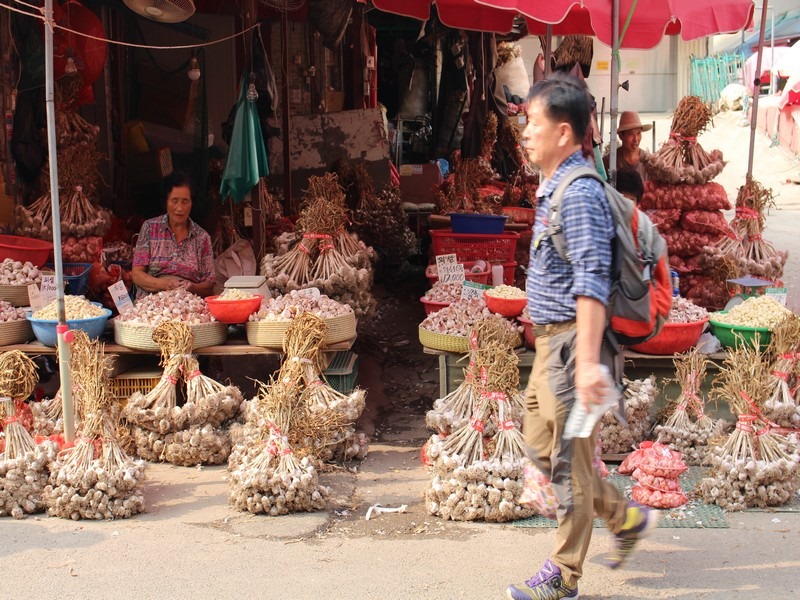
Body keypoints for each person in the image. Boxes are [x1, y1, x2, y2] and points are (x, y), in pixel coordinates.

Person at [508, 74, 656, 600]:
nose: (524, 132)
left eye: (533, 123)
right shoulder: (553, 187)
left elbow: (592, 282)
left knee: (568, 466)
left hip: (573, 347)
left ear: (564, 132)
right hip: (551, 344)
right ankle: (623, 516)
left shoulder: (580, 195)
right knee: (540, 448)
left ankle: (563, 576)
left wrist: (590, 363)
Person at [132, 171, 215, 299]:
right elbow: (137, 274)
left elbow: (209, 285)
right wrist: (164, 284)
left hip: (187, 304)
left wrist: (192, 287)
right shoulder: (150, 228)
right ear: (166, 201)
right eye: (174, 201)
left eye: (185, 201)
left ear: (192, 203)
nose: (179, 208)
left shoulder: (202, 237)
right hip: (150, 303)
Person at [602, 110, 652, 183]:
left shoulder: (649, 161)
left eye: (638, 134)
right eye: (631, 134)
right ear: (621, 135)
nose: (636, 139)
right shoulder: (608, 161)